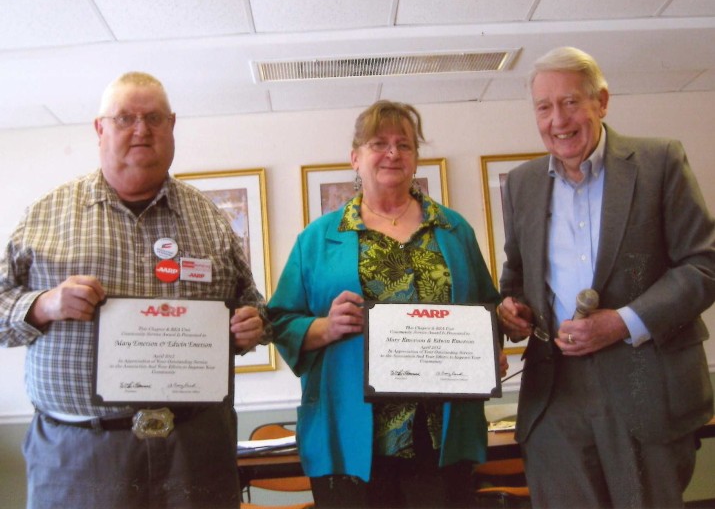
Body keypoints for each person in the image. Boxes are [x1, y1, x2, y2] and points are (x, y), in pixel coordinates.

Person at [0, 72, 270, 508]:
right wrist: (43, 305)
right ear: (100, 128)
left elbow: (253, 309)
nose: (141, 129)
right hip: (79, 453)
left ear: (172, 125)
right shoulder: (45, 215)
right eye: (125, 117)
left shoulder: (210, 219)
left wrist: (251, 326)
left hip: (196, 450)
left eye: (154, 118)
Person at [498, 46, 715, 508]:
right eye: (544, 107)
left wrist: (623, 322)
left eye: (571, 102)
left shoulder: (660, 162)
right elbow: (515, 278)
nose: (558, 119)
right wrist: (511, 308)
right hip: (554, 397)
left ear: (602, 102)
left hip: (646, 387)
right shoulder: (521, 184)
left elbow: (704, 264)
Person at [268, 100, 508, 508]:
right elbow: (279, 320)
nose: (393, 153)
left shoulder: (454, 230)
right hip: (349, 434)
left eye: (405, 145)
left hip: (441, 430)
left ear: (416, 160)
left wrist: (490, 348)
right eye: (379, 143)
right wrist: (325, 327)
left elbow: (488, 309)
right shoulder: (318, 238)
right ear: (355, 158)